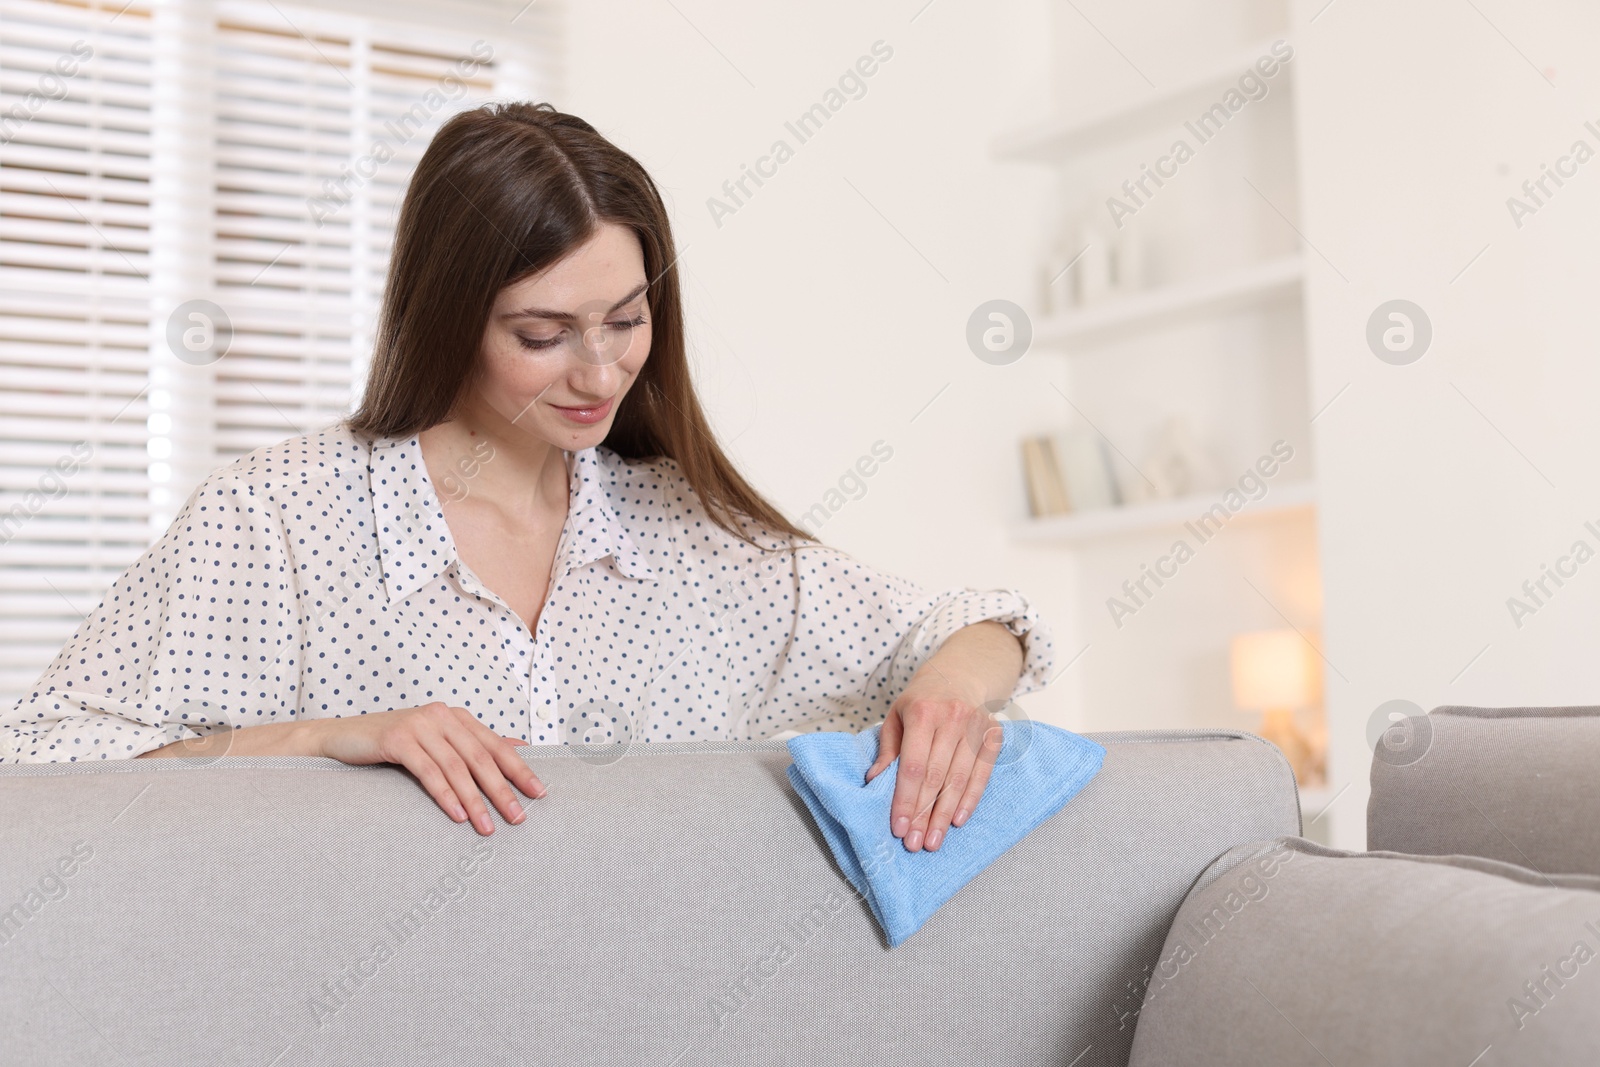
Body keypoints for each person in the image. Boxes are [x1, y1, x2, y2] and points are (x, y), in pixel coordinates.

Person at [0, 102, 1056, 856]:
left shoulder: (683, 532)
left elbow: (984, 623)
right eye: (543, 334)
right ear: (450, 317)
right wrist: (331, 738)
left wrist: (941, 698)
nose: (599, 373)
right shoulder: (275, 519)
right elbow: (45, 757)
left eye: (628, 320)